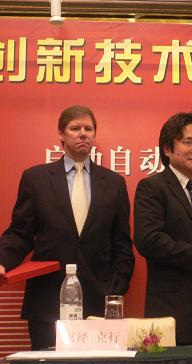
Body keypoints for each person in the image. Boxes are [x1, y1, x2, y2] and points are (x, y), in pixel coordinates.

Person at [0, 105, 135, 350]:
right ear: (61, 135)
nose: (83, 134)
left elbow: (122, 245)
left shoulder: (114, 183)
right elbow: (20, 233)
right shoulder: (36, 179)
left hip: (99, 303)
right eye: (75, 128)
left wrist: (114, 291)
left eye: (88, 129)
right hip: (47, 301)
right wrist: (2, 261)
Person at [134, 111, 192, 345]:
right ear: (167, 148)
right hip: (172, 313)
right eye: (188, 142)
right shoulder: (152, 187)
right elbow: (149, 240)